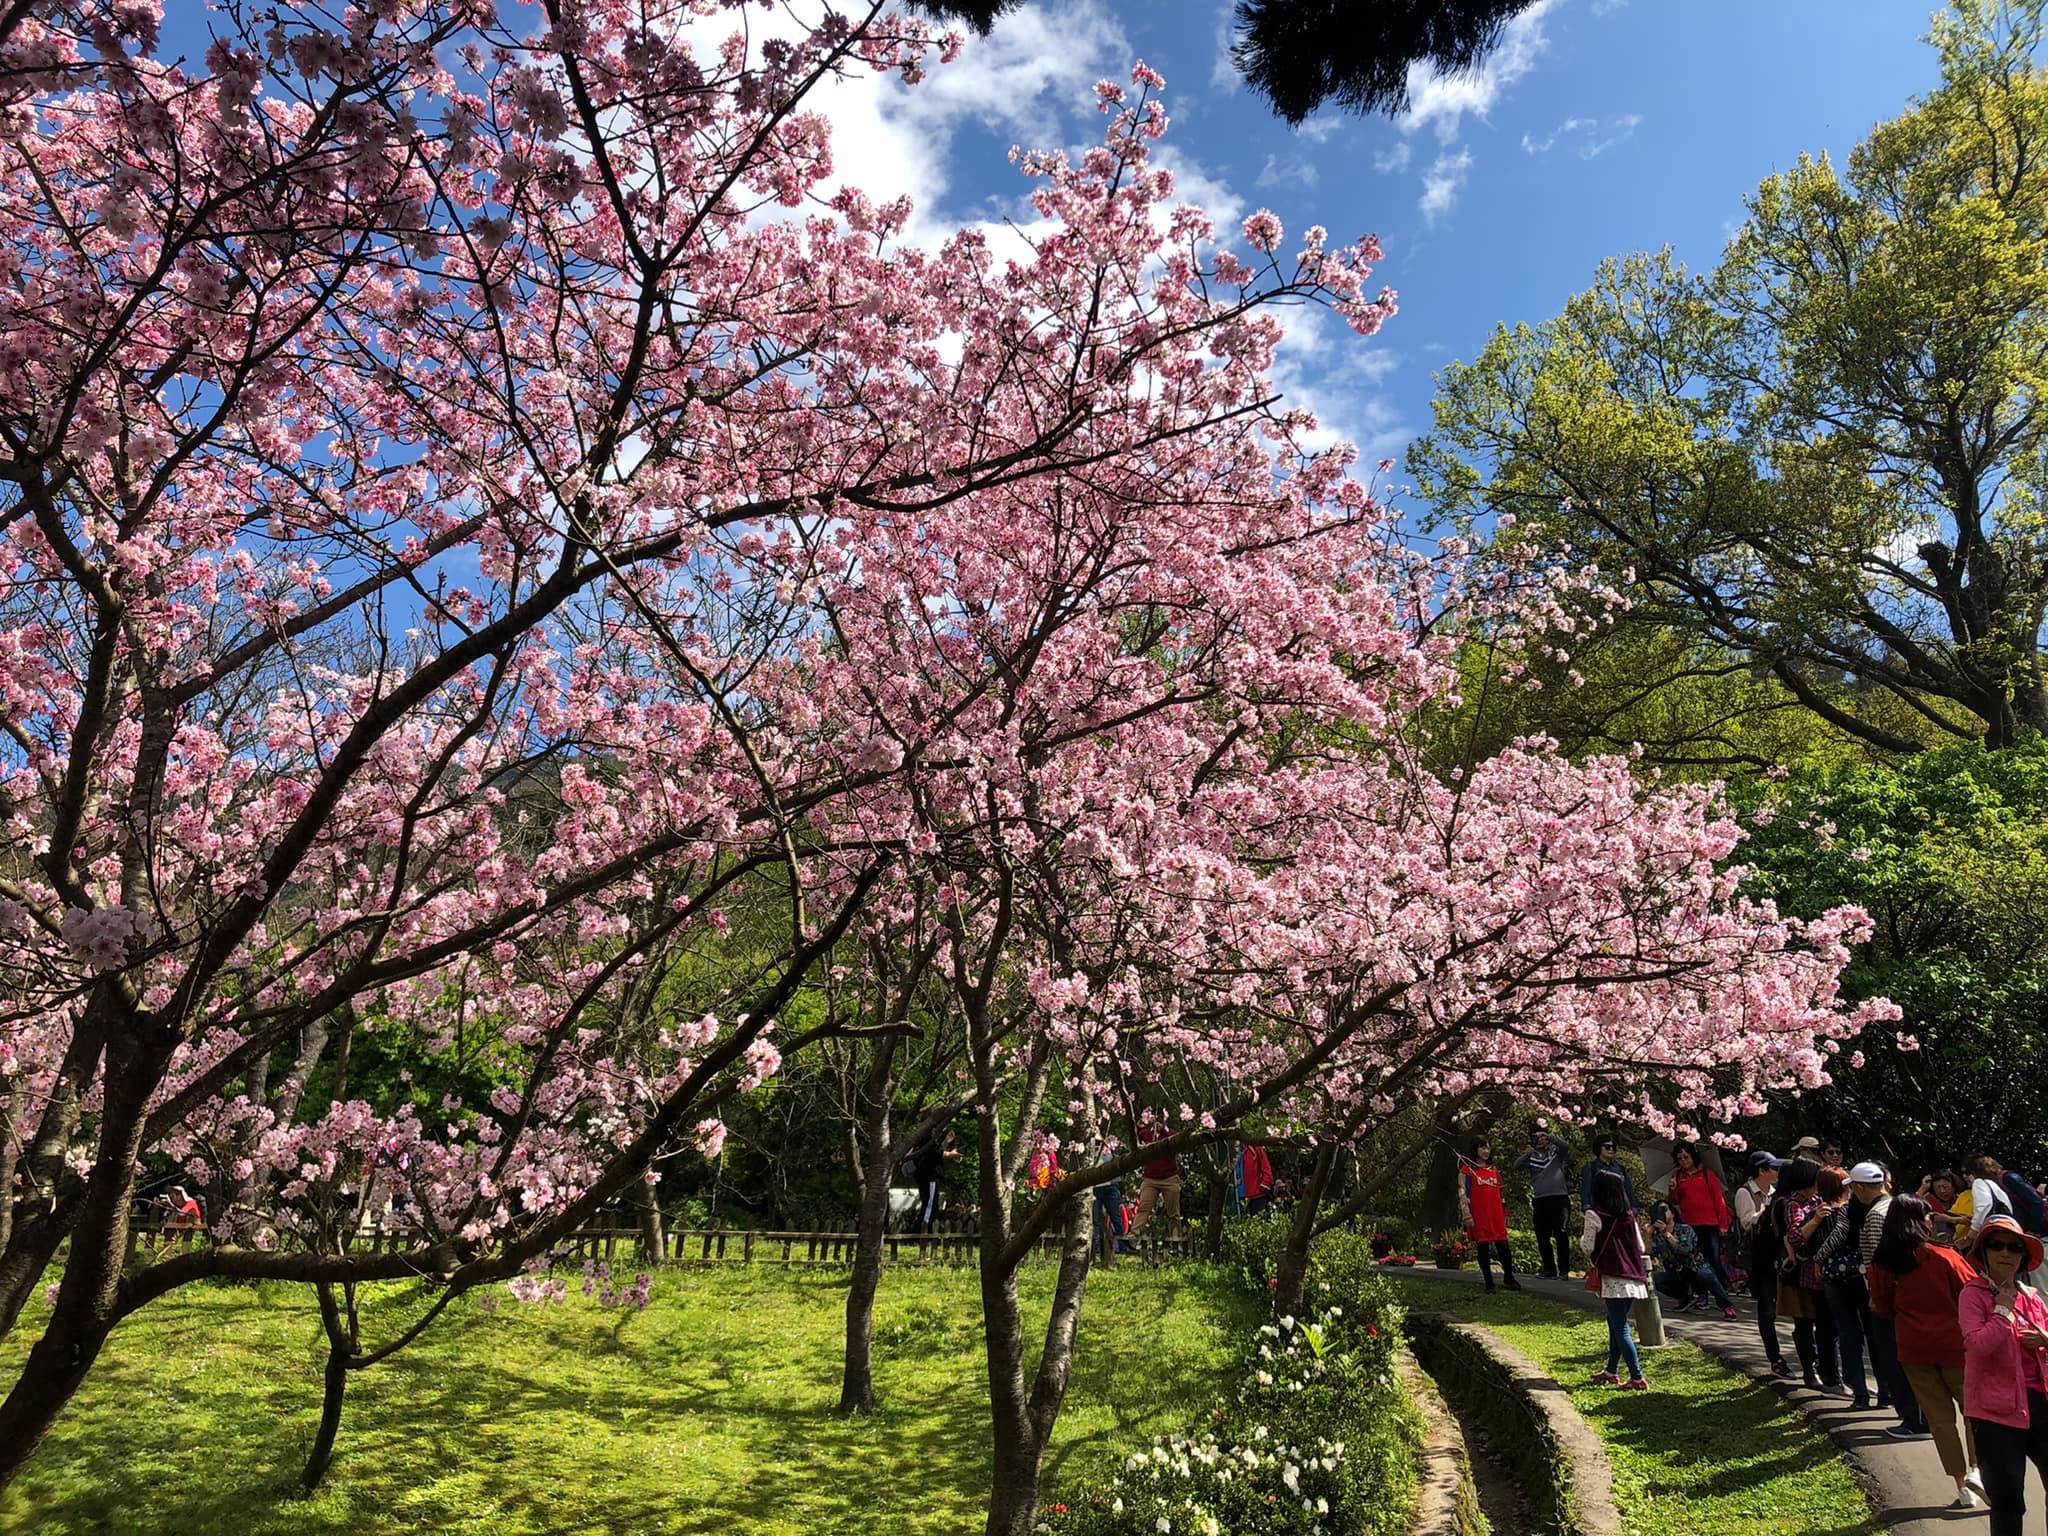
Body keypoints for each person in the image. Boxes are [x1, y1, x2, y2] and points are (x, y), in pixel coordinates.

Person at [1870, 1194, 1983, 1509]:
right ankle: (1977, 1470)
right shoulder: (1944, 1256)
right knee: (1973, 1412)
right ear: (1921, 1221)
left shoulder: (1882, 1263)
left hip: (1913, 1347)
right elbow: (1972, 1293)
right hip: (1956, 1346)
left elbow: (1880, 1304)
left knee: (1939, 1420)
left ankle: (1961, 1485)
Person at [1962, 1214, 2048, 1536]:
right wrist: (2002, 1310)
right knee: (2008, 1499)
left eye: (2014, 1248)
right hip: (1994, 1413)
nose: (2005, 1253)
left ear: (2023, 1256)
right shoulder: (1972, 1295)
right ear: (1984, 1252)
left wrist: (2043, 1339)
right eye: (1996, 1245)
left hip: (2038, 1402)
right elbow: (1977, 1346)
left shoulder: (2033, 1297)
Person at [1810, 1164, 1876, 1407]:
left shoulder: (1824, 1213)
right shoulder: (1864, 1210)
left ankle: (1858, 1391)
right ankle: (1882, 1390)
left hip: (1835, 1277)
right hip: (1861, 1275)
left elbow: (1827, 1241)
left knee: (1848, 1332)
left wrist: (1818, 1258)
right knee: (1871, 1333)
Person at [1777, 1158, 1841, 1393]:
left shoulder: (1818, 1200)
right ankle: (1811, 1372)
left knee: (1827, 1326)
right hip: (1803, 1274)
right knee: (1806, 1324)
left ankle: (1830, 1373)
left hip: (1821, 1273)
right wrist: (1815, 1219)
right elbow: (1795, 1238)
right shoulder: (1793, 1204)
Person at [1582, 1168, 1649, 1389]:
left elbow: (1587, 1246)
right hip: (1634, 1277)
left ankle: (1637, 1377)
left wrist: (1584, 1240)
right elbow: (1639, 1246)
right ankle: (1611, 1370)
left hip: (1613, 1277)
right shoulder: (1629, 1216)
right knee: (1614, 1322)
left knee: (1620, 1326)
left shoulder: (1594, 1215)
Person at [1736, 1152, 1792, 1376]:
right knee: (1767, 1310)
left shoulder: (1776, 1192)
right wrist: (1767, 1210)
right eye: (1774, 1169)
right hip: (1759, 1258)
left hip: (1777, 1256)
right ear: (1762, 1170)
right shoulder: (1745, 1192)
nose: (1777, 1173)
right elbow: (1747, 1223)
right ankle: (1774, 1358)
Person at [1648, 1200, 1736, 1317]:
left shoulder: (1685, 1229)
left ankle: (1726, 1305)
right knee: (1653, 1278)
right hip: (1676, 1272)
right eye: (1657, 1211)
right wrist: (1647, 1236)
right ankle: (1684, 1297)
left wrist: (1667, 1234)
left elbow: (1685, 1250)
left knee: (1706, 1274)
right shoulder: (1657, 1236)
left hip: (1695, 1267)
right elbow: (1648, 1255)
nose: (1661, 1213)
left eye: (1664, 1209)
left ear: (1673, 1213)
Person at [1513, 1123, 1574, 1278]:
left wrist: (1550, 1136)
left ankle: (1564, 1270)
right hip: (1540, 1199)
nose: (1540, 1140)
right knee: (1542, 1235)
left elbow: (1565, 1146)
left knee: (1561, 1233)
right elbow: (1516, 1166)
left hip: (1559, 1198)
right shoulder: (1531, 1157)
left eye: (1542, 1136)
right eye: (1536, 1137)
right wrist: (1527, 1153)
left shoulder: (1555, 1154)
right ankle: (1549, 1269)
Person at [1461, 1137, 1520, 1294]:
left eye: (1487, 1148)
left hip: (1496, 1215)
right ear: (1475, 1150)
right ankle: (1489, 1281)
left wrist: (1505, 1213)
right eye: (1482, 1148)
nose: (1485, 1151)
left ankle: (1509, 1277)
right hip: (1479, 1216)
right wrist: (1467, 1215)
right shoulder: (1467, 1170)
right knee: (1483, 1248)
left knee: (1503, 1247)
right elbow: (1462, 1194)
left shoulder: (1494, 1171)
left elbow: (1502, 1195)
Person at [1130, 1120, 1183, 1238]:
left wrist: (1164, 1130)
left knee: (1173, 1213)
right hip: (1150, 1179)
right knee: (1144, 1207)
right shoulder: (1148, 1134)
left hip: (1170, 1178)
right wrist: (1139, 1126)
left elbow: (1176, 1142)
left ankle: (1175, 1238)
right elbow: (1137, 1136)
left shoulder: (1172, 1134)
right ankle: (1134, 1234)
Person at [910, 1128, 959, 1233]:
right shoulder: (929, 1137)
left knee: (929, 1202)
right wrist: (950, 1154)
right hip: (929, 1175)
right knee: (930, 1202)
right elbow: (933, 1153)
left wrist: (947, 1145)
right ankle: (923, 1229)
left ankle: (924, 1229)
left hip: (925, 1173)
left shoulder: (929, 1137)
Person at [1578, 1135, 1638, 1215]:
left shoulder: (1620, 1168)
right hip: (1599, 1211)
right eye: (1607, 1147)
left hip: (1621, 1211)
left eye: (1613, 1147)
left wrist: (1633, 1207)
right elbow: (1586, 1190)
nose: (1611, 1149)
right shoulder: (1591, 1168)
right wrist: (1587, 1208)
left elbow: (1628, 1189)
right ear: (1599, 1148)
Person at [1922, 1169, 1966, 1246]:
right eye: (1938, 1188)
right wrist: (1923, 1188)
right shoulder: (1928, 1201)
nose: (1942, 1191)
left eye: (1945, 1187)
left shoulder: (1964, 1199)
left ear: (1954, 1186)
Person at [1237, 1138, 1276, 1217]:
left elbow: (1266, 1168)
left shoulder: (1255, 1149)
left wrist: (1265, 1184)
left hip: (1257, 1194)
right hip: (1240, 1195)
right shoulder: (1234, 1153)